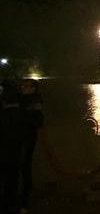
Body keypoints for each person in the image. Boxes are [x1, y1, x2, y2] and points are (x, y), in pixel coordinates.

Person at [18, 79, 43, 213]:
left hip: (27, 138)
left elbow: (38, 121)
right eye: (23, 85)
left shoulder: (35, 101)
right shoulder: (25, 100)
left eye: (27, 86)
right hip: (20, 137)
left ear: (33, 88)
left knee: (25, 166)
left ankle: (24, 201)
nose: (24, 88)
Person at [1, 84, 23, 214]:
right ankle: (10, 204)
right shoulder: (21, 115)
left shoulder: (4, 115)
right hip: (14, 152)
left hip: (4, 151)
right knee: (12, 179)